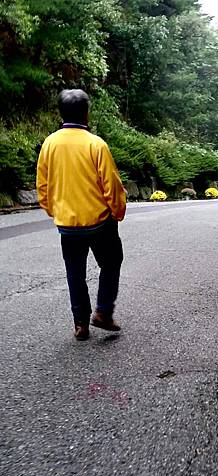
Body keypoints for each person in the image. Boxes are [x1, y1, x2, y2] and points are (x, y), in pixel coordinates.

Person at [36, 89, 126, 341]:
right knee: (111, 262)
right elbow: (111, 184)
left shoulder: (49, 144)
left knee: (74, 272)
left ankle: (80, 324)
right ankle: (103, 312)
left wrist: (54, 210)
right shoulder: (95, 144)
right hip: (99, 221)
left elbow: (43, 185)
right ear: (86, 113)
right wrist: (117, 211)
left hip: (67, 223)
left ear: (60, 113)